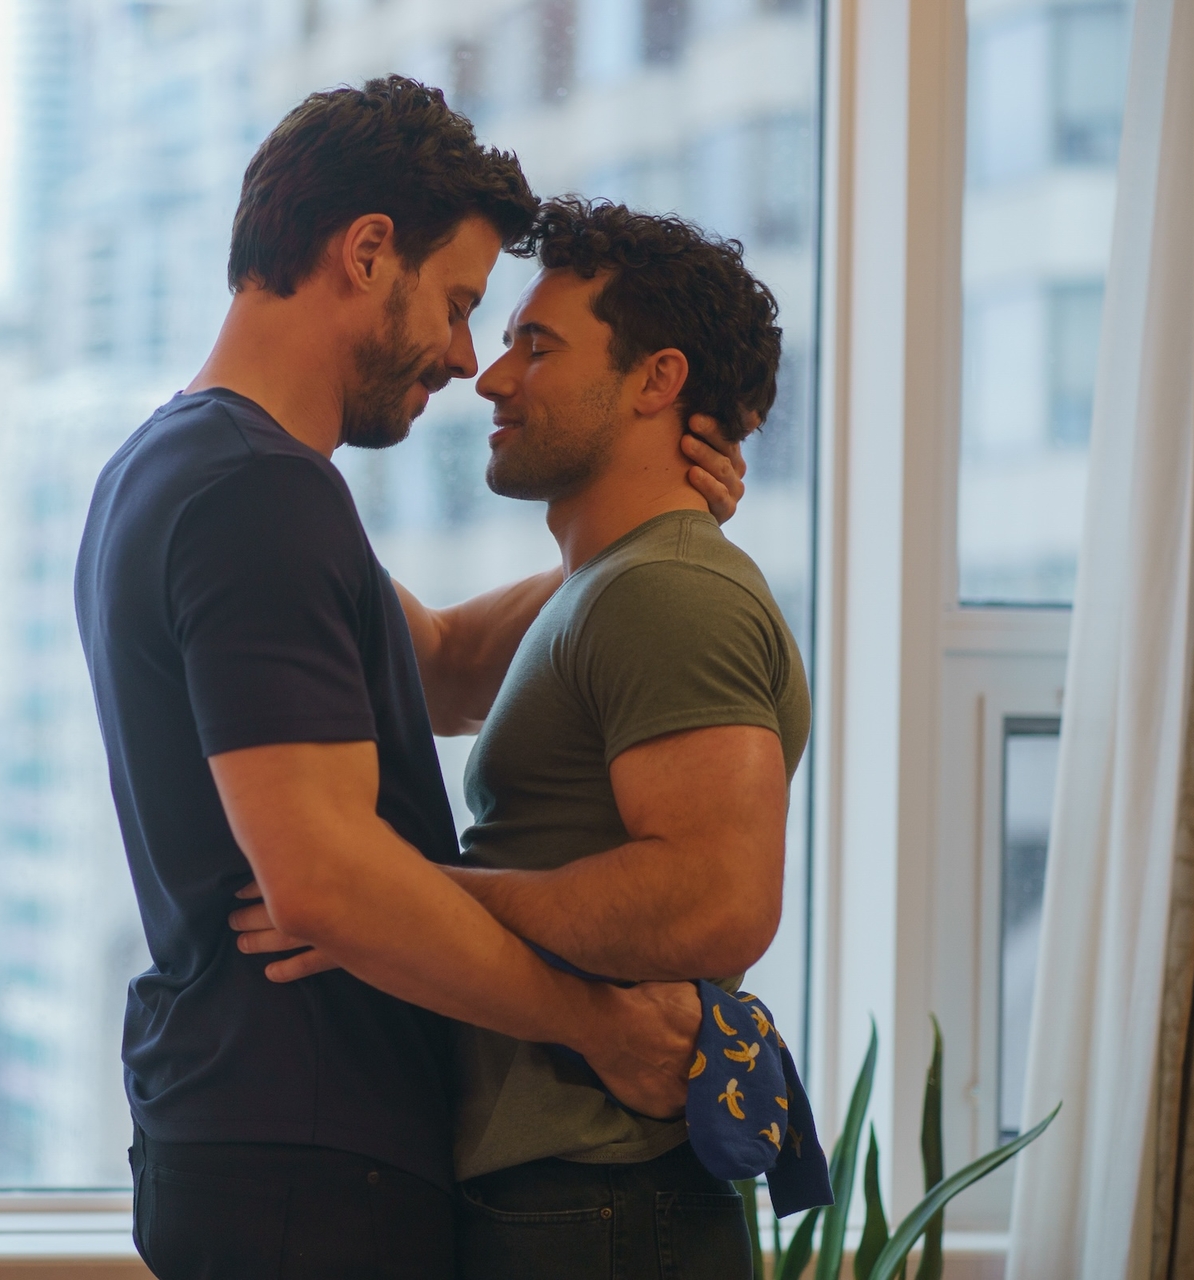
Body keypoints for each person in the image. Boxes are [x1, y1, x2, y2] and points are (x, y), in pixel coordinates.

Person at [74, 78, 743, 1279]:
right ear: (369, 251)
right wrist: (601, 1025)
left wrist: (645, 525)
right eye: (460, 303)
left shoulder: (179, 464)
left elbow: (438, 668)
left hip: (258, 1130)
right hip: (314, 1151)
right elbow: (327, 880)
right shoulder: (258, 493)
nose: (465, 357)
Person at [236, 197, 808, 1278]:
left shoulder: (671, 593)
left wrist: (392, 896)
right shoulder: (616, 587)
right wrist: (247, 461)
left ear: (657, 380)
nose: (491, 378)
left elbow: (716, 904)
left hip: (602, 1200)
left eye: (535, 347)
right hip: (565, 1196)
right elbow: (436, 661)